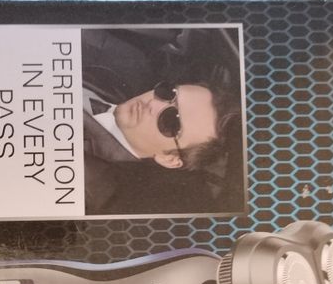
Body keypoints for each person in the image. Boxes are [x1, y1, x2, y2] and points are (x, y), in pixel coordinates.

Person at [82, 80, 238, 213]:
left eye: (171, 121)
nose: (153, 103)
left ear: (169, 159)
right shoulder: (109, 81)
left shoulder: (86, 187)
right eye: (168, 93)